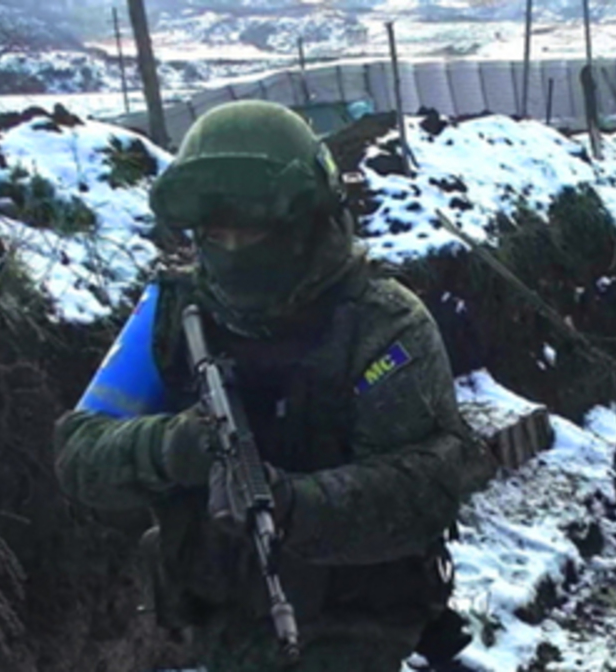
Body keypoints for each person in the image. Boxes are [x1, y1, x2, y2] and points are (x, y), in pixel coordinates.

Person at [52, 100, 496, 671]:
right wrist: (172, 447)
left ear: (309, 223)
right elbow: (78, 453)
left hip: (358, 626)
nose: (235, 250)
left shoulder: (384, 325)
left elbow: (424, 489)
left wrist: (290, 504)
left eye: (254, 230)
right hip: (222, 621)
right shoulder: (172, 314)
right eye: (218, 233)